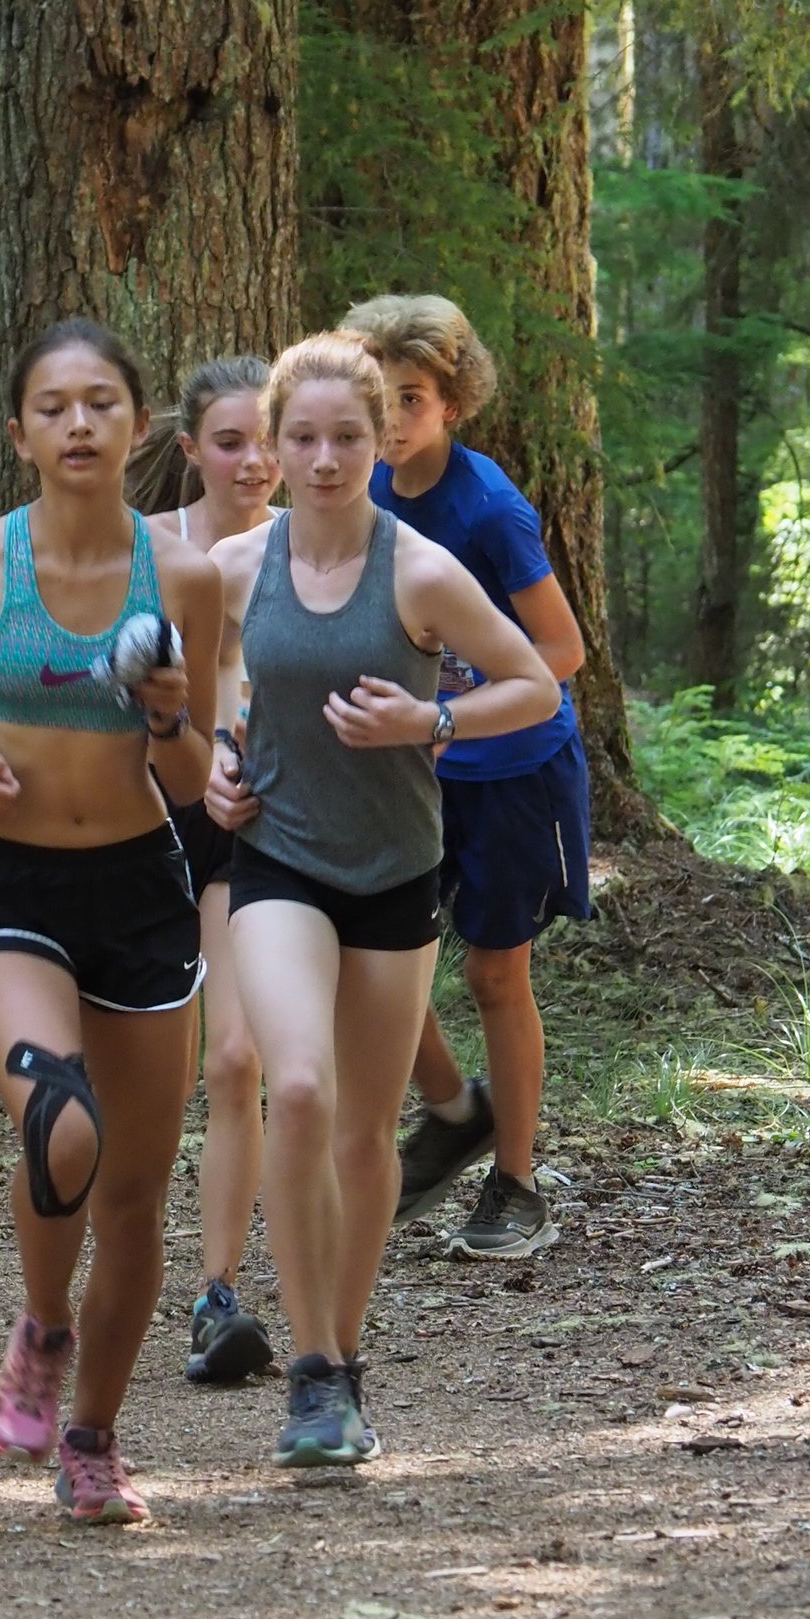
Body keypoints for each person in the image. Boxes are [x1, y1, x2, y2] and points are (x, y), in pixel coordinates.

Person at [0, 321, 222, 1527]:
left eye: (102, 405)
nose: (79, 425)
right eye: (53, 407)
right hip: (12, 888)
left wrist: (174, 716)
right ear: (18, 431)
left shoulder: (184, 579)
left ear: (140, 428)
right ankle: (42, 1328)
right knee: (59, 1124)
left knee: (131, 1192)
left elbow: (192, 785)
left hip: (142, 892)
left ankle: (93, 1440)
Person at [207, 332, 560, 1466]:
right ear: (270, 445)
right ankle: (309, 1368)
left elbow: (535, 678)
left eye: (345, 438)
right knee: (294, 1086)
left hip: (396, 873)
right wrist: (219, 753)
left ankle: (343, 1362)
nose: (321, 459)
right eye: (300, 438)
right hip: (276, 864)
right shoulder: (232, 566)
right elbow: (212, 676)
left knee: (363, 1133)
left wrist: (432, 721)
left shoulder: (418, 571)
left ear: (377, 441)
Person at [340, 294, 592, 1260]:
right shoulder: (353, 496)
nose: (394, 421)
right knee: (373, 963)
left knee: (494, 972)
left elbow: (561, 650)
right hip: (409, 768)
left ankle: (517, 1180)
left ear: (454, 405)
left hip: (513, 768)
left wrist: (451, 716)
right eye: (381, 399)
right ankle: (454, 1110)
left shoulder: (488, 510)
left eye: (413, 399)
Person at [145, 356, 277, 1386]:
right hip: (136, 830)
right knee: (126, 1089)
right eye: (229, 441)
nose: (256, 460)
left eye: (268, 438)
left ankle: (217, 1294)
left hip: (250, 832)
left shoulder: (317, 547)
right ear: (190, 449)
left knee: (234, 1061)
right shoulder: (146, 549)